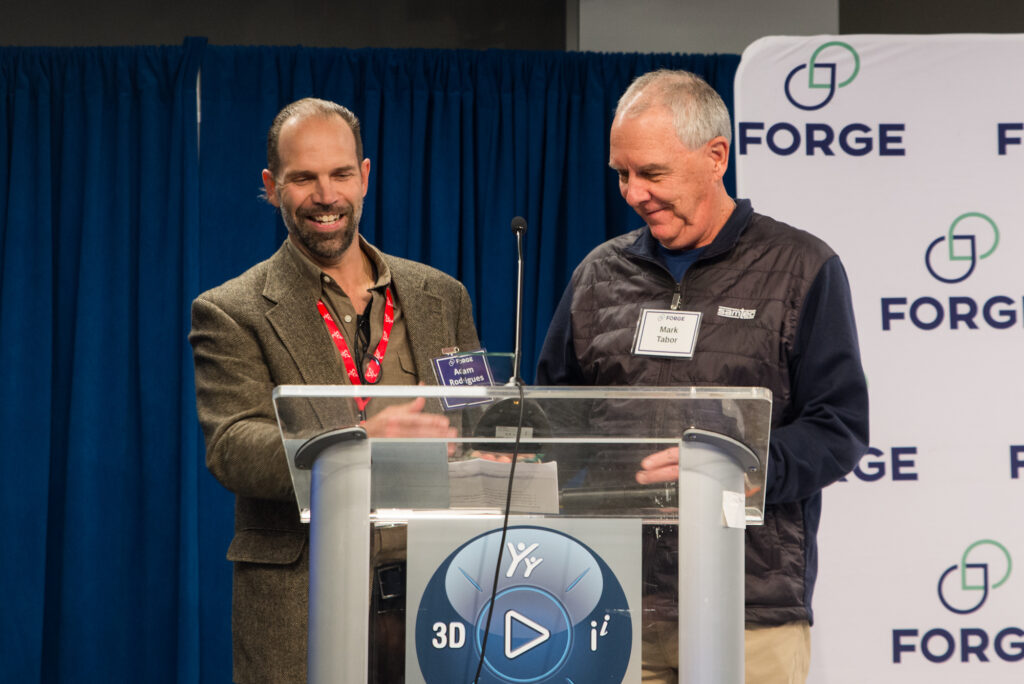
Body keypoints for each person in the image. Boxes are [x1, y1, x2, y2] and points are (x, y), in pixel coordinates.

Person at [536, 70, 869, 683]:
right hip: (614, 603)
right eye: (621, 174)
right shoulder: (597, 275)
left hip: (749, 612)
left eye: (652, 173)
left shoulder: (802, 269)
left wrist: (738, 468)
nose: (633, 193)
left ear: (716, 156)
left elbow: (838, 428)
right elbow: (554, 419)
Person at [189, 97, 480, 683]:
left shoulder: (441, 296)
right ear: (272, 186)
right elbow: (233, 446)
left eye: (341, 174)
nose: (326, 195)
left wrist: (485, 448)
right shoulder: (231, 310)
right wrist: (358, 442)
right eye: (304, 178)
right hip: (303, 597)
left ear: (364, 176)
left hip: (439, 592)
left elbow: (474, 417)